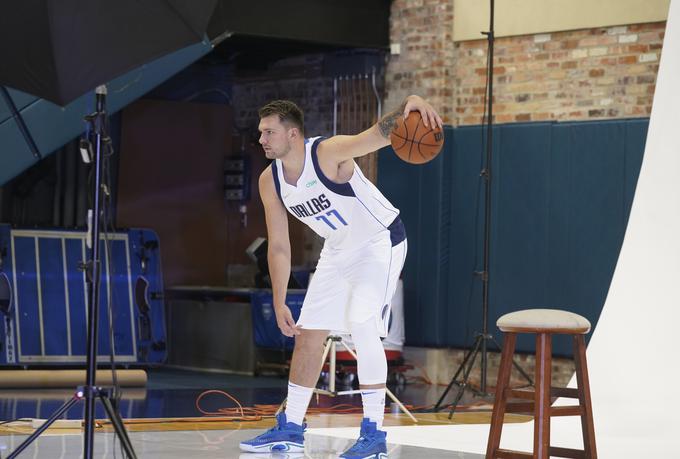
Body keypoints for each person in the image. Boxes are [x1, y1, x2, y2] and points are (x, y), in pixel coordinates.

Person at [239, 95, 443, 458]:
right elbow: (280, 246)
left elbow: (377, 134)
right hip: (337, 250)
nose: (262, 139)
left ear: (294, 134)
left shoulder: (328, 153)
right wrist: (279, 297)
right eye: (261, 133)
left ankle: (374, 434)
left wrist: (409, 104)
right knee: (308, 334)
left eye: (269, 132)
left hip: (380, 241)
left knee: (362, 322)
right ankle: (291, 427)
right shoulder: (269, 181)